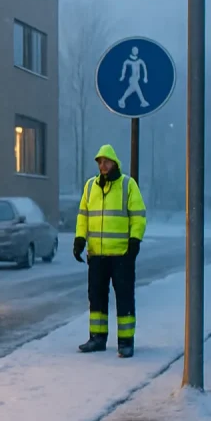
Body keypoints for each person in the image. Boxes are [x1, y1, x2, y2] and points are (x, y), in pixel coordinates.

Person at [73, 144, 147, 358]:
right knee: (96, 298)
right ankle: (97, 338)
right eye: (100, 162)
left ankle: (125, 342)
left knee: (124, 298)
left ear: (115, 162)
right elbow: (83, 216)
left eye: (106, 161)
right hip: (97, 255)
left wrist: (134, 241)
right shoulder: (90, 186)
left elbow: (138, 216)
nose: (102, 165)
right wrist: (79, 239)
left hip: (121, 255)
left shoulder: (127, 185)